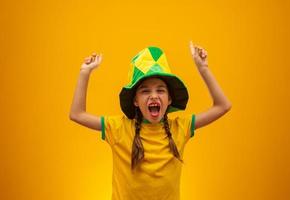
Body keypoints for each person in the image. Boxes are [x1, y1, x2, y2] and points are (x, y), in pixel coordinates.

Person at [69, 41, 231, 200]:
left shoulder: (180, 128)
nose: (154, 95)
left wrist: (203, 69)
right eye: (145, 91)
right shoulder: (119, 128)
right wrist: (85, 72)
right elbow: (77, 114)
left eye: (160, 90)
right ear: (135, 101)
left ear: (169, 99)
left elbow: (223, 105)